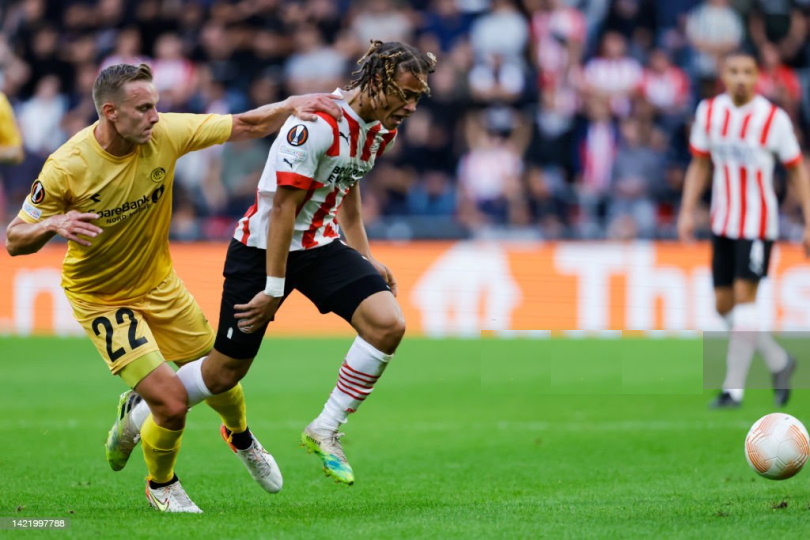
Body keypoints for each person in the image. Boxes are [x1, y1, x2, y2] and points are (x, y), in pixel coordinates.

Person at [5, 63, 342, 512]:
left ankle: (240, 437)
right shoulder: (67, 166)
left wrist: (290, 105)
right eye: (143, 108)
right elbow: (14, 239)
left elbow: (244, 124)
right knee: (171, 403)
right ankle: (161, 485)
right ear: (110, 112)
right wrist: (53, 223)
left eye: (156, 106)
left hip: (160, 285)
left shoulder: (164, 132)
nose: (154, 116)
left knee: (222, 374)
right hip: (102, 299)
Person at [118, 40, 436, 486]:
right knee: (224, 373)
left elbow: (348, 185)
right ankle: (139, 408)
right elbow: (283, 209)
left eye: (418, 97)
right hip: (262, 248)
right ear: (378, 81)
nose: (412, 106)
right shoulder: (316, 123)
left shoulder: (381, 128)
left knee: (388, 324)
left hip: (320, 246)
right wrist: (273, 288)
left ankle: (325, 429)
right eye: (406, 94)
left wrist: (366, 257)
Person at [677, 50, 810, 409]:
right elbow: (700, 164)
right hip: (722, 222)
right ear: (723, 74)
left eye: (747, 72)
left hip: (757, 224)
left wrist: (809, 221)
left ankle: (731, 390)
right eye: (733, 71)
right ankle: (779, 361)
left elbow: (796, 168)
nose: (740, 78)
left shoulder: (772, 119)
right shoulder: (709, 112)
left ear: (757, 76)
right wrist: (687, 211)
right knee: (723, 305)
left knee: (745, 298)